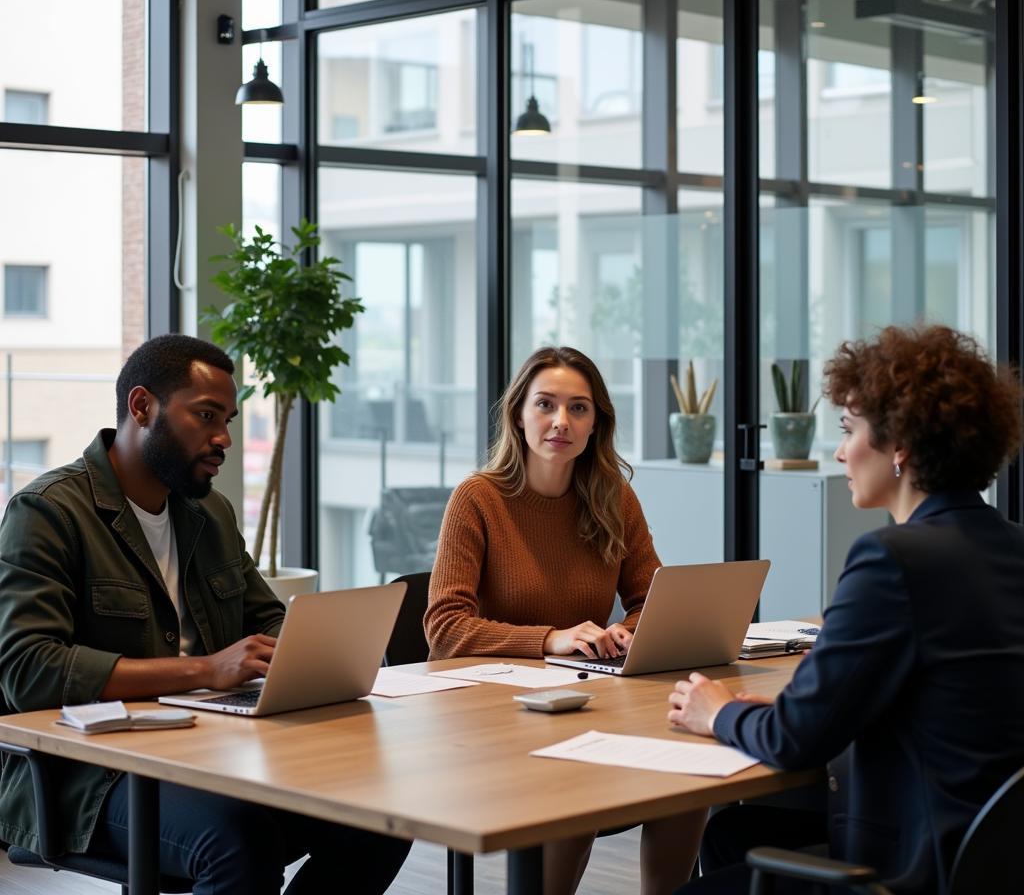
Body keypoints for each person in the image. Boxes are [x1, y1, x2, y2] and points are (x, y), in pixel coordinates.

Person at [0, 334, 411, 895]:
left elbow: (268, 621)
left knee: (381, 818)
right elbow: (29, 670)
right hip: (88, 777)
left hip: (208, 750)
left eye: (229, 420)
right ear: (141, 407)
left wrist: (317, 653)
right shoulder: (48, 511)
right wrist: (207, 670)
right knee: (235, 840)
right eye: (206, 416)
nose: (223, 439)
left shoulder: (209, 512)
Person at [668, 324, 1024, 895]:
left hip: (911, 869)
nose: (839, 451)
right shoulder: (1011, 546)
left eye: (850, 429)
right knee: (737, 830)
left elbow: (794, 743)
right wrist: (801, 707)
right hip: (991, 859)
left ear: (900, 444)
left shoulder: (892, 559)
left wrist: (717, 711)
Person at [425, 345, 705, 895]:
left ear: (596, 421)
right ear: (518, 414)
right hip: (489, 717)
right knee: (577, 786)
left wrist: (630, 630)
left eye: (579, 408)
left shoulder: (613, 498)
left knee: (689, 768)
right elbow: (445, 627)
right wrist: (551, 639)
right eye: (546, 404)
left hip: (582, 702)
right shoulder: (478, 499)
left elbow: (653, 598)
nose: (561, 422)